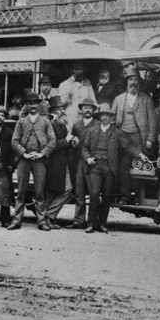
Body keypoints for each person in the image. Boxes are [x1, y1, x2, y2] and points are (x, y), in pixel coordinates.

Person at [82, 103, 148, 233]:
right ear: (100, 117)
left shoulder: (117, 133)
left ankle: (102, 223)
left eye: (108, 115)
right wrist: (88, 158)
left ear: (111, 118)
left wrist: (140, 154)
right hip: (95, 166)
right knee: (94, 195)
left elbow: (128, 147)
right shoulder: (92, 131)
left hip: (110, 168)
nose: (105, 118)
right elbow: (84, 148)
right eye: (103, 115)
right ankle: (90, 223)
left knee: (107, 196)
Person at [9, 93, 56, 231]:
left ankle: (41, 221)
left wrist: (41, 153)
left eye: (35, 103)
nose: (33, 106)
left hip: (39, 160)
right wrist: (24, 153)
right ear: (27, 105)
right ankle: (17, 220)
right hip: (24, 159)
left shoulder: (45, 121)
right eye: (30, 103)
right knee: (21, 191)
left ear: (39, 104)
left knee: (39, 192)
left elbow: (52, 141)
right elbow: (14, 141)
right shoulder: (21, 122)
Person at [111, 66, 157, 204]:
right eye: (131, 79)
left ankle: (138, 197)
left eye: (136, 80)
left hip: (138, 138)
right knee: (123, 168)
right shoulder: (119, 99)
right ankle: (125, 196)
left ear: (140, 82)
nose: (133, 83)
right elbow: (112, 120)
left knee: (138, 166)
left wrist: (150, 139)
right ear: (126, 82)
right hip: (122, 137)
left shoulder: (146, 99)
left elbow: (152, 122)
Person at [68, 98, 100, 229]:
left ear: (93, 110)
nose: (87, 110)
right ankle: (79, 221)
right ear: (81, 110)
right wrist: (73, 142)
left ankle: (94, 221)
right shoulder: (77, 125)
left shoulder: (98, 125)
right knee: (79, 192)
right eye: (85, 108)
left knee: (94, 193)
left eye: (90, 108)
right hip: (80, 162)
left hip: (93, 163)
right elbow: (73, 142)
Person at [42, 96, 73, 230]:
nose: (63, 111)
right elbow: (51, 145)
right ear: (54, 110)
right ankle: (47, 217)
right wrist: (67, 140)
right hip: (53, 163)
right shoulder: (52, 124)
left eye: (62, 108)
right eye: (60, 108)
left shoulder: (61, 124)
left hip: (62, 163)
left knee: (61, 190)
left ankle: (48, 216)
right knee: (57, 191)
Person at [58, 63, 96, 130]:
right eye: (77, 69)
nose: (79, 71)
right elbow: (60, 105)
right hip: (70, 120)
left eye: (81, 69)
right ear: (72, 70)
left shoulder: (88, 85)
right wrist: (67, 98)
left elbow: (93, 101)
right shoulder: (64, 85)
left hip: (85, 120)